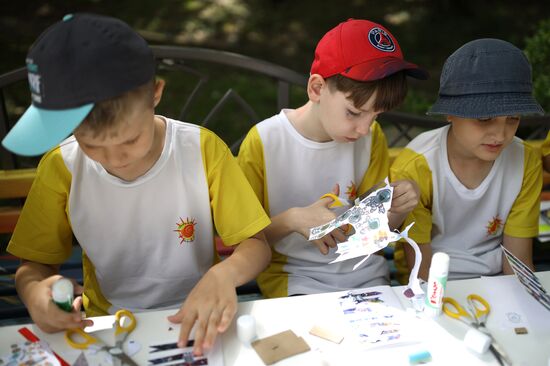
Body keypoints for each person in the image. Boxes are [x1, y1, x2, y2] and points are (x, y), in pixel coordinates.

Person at [2, 13, 271, 356]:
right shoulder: (61, 167)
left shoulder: (202, 150)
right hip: (107, 324)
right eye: (91, 144)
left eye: (130, 140)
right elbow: (34, 266)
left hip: (199, 315)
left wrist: (225, 275)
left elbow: (256, 245)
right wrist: (34, 294)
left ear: (155, 93)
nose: (114, 159)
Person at [237, 19, 427, 298]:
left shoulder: (371, 137)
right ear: (316, 89)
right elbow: (242, 240)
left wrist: (397, 207)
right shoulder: (265, 141)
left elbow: (375, 233)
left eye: (376, 116)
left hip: (367, 276)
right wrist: (292, 220)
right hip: (296, 280)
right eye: (354, 112)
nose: (364, 128)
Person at [390, 38, 545, 282]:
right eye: (484, 119)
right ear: (450, 112)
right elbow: (419, 266)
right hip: (431, 282)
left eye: (513, 118)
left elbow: (518, 260)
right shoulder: (417, 165)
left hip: (498, 279)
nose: (500, 134)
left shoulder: (526, 161)